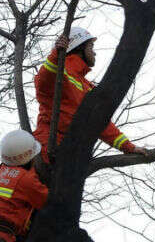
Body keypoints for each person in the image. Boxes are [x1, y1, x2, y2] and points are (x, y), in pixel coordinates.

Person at [33, 28, 147, 164]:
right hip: (46, 150)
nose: (94, 52)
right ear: (78, 47)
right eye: (91, 46)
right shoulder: (59, 71)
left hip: (70, 156)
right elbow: (43, 82)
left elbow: (100, 122)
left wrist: (128, 146)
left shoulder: (88, 86)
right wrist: (56, 55)